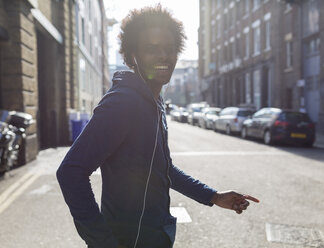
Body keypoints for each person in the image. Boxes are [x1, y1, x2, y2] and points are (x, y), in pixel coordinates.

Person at [56, 5, 259, 248]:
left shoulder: (154, 102)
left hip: (156, 236)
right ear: (133, 56)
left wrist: (213, 196)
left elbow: (163, 169)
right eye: (152, 49)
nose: (164, 56)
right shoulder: (124, 102)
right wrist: (102, 242)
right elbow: (70, 172)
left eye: (170, 49)